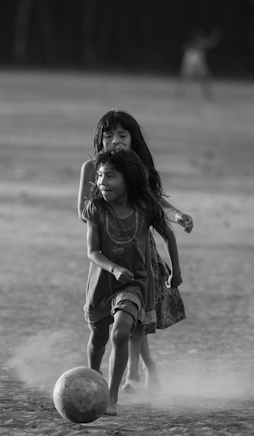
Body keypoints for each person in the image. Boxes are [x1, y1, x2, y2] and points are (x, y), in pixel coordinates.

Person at [77, 110, 192, 393]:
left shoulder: (136, 168)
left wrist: (176, 214)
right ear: (99, 139)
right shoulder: (93, 169)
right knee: (119, 321)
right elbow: (83, 212)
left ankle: (137, 374)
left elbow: (153, 202)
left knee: (135, 318)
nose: (115, 140)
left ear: (133, 139)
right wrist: (105, 207)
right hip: (108, 250)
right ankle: (142, 371)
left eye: (122, 135)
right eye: (108, 135)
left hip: (142, 250)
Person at [177, 28, 222, 99]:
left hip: (195, 60)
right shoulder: (197, 41)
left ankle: (181, 93)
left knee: (202, 78)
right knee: (189, 78)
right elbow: (210, 43)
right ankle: (180, 92)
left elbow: (210, 43)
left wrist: (214, 36)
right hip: (193, 60)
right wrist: (214, 35)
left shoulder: (194, 42)